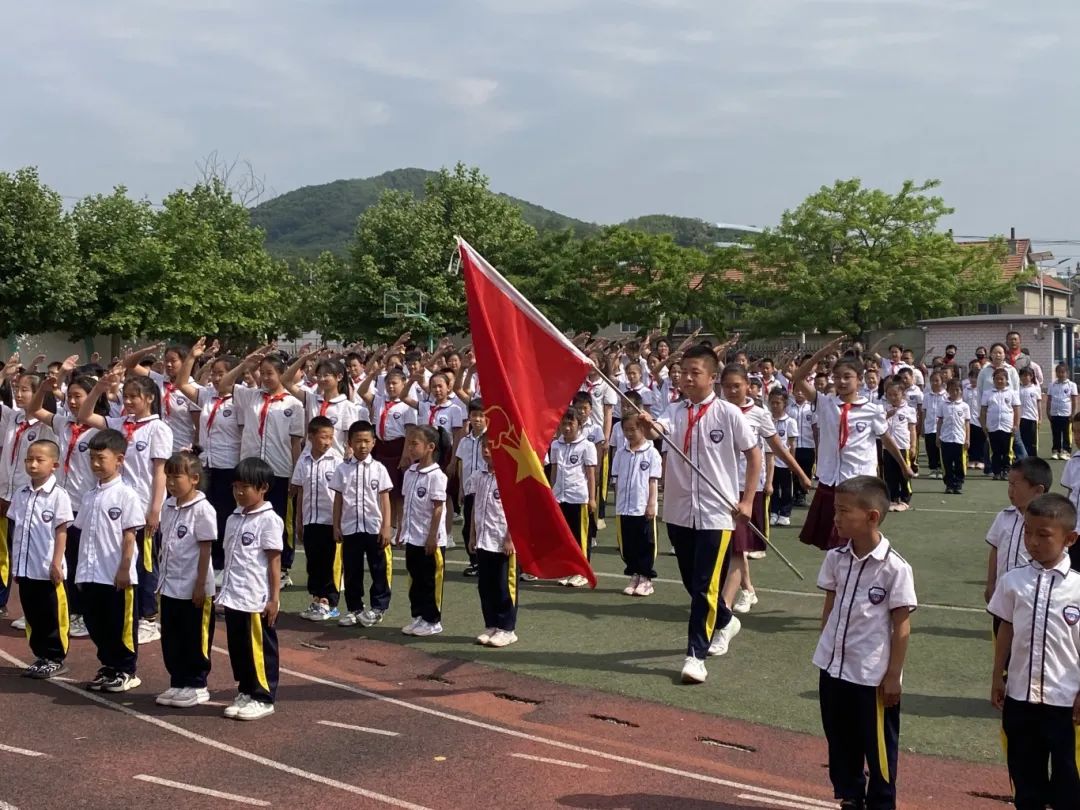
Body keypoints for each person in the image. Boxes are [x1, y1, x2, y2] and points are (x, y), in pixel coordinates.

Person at [640, 345, 760, 684]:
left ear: (712, 377)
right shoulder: (673, 412)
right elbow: (654, 431)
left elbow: (754, 457)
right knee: (692, 584)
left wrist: (748, 501)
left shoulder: (729, 414)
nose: (687, 378)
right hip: (678, 512)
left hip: (716, 514)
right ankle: (725, 620)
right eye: (683, 372)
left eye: (695, 372)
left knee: (706, 584)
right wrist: (646, 424)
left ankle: (695, 655)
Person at [814, 475, 916, 810]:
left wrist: (893, 676)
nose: (836, 518)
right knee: (840, 740)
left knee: (879, 748)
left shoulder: (895, 568)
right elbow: (829, 610)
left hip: (870, 677)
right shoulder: (836, 558)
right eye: (835, 510)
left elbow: (901, 626)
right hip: (833, 668)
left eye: (844, 511)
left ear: (871, 516)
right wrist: (826, 647)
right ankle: (850, 796)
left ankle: (881, 802)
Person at [989, 493, 1080, 809]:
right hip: (1021, 698)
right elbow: (1006, 629)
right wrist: (997, 676)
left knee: (1071, 782)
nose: (1033, 541)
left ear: (1070, 538)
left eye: (1044, 535)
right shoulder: (1014, 581)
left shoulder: (1078, 588)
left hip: (1065, 703)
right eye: (1028, 532)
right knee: (1026, 782)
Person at [80, 372, 172, 644]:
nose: (129, 401)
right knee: (121, 557)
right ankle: (129, 611)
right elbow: (86, 416)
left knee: (144, 562)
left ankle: (149, 617)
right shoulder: (121, 424)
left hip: (143, 505)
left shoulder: (158, 429)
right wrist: (98, 387)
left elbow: (160, 472)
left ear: (150, 398)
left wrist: (155, 508)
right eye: (126, 396)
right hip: (116, 502)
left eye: (135, 397)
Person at [795, 339, 912, 550]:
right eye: (837, 377)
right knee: (833, 542)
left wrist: (904, 465)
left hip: (858, 481)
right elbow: (798, 377)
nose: (841, 381)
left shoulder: (872, 410)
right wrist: (824, 351)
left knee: (856, 538)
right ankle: (838, 580)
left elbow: (886, 438)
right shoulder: (825, 403)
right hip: (831, 479)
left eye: (847, 377)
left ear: (860, 380)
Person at [215, 348, 304, 588]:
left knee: (278, 519)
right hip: (251, 467)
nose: (265, 378)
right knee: (247, 514)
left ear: (281, 374)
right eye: (262, 373)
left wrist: (296, 475)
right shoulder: (250, 396)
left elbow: (295, 443)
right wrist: (244, 364)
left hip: (280, 469)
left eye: (270, 373)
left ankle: (282, 566)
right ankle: (249, 562)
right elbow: (223, 385)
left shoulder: (293, 404)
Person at [27, 373, 102, 639]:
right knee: (60, 558)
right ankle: (67, 609)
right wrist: (45, 389)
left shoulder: (99, 429)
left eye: (78, 396)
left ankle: (83, 612)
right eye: (69, 396)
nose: (71, 401)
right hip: (61, 503)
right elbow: (33, 409)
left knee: (82, 561)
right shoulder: (63, 423)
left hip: (85, 504)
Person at [75, 429, 145, 692]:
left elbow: (130, 536)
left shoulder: (126, 494)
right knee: (95, 622)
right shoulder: (89, 495)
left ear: (119, 460)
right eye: (92, 458)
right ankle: (108, 666)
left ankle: (126, 669)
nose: (95, 464)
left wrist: (125, 568)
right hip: (91, 573)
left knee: (120, 623)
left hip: (115, 573)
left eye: (100, 459)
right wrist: (81, 570)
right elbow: (83, 534)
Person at [217, 457, 282, 721]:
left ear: (263, 487)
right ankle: (245, 689)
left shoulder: (268, 520)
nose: (240, 492)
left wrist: (274, 598)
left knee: (258, 648)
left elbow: (273, 560)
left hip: (256, 596)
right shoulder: (233, 517)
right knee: (239, 647)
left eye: (246, 487)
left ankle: (263, 696)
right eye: (236, 487)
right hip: (235, 595)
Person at [155, 451, 217, 708]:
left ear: (194, 479)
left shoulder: (203, 509)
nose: (170, 482)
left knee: (195, 637)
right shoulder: (168, 507)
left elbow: (204, 550)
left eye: (176, 477)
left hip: (193, 586)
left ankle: (197, 683)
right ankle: (178, 680)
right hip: (170, 585)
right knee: (172, 637)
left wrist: (200, 585)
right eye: (167, 476)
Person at [175, 341, 242, 578]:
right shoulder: (208, 396)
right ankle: (208, 559)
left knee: (225, 514)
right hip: (206, 464)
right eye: (213, 373)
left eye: (220, 374)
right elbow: (182, 383)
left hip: (228, 464)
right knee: (205, 511)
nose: (215, 378)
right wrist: (192, 356)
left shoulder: (240, 399)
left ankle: (224, 563)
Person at [10, 439, 74, 678]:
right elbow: (18, 529)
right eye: (29, 459)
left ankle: (55, 657)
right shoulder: (21, 493)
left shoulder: (59, 496)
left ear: (54, 465)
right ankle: (40, 655)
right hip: (26, 568)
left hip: (46, 568)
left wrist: (57, 562)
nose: (33, 464)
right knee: (32, 613)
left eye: (39, 460)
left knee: (52, 614)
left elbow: (61, 530)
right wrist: (17, 564)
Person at [331, 420, 394, 628]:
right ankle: (354, 608)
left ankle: (378, 607)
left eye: (367, 441)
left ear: (374, 442)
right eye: (358, 441)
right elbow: (339, 499)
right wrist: (336, 525)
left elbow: (384, 499)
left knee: (378, 568)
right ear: (349, 443)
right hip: (350, 527)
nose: (363, 446)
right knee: (352, 570)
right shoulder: (342, 469)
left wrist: (386, 526)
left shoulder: (379, 469)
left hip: (374, 528)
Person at [466, 434, 518, 647]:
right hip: (483, 539)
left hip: (502, 541)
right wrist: (472, 535)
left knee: (503, 585)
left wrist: (510, 539)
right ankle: (491, 624)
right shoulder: (478, 477)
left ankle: (507, 628)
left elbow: (516, 511)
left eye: (491, 447)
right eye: (484, 447)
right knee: (485, 585)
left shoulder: (509, 477)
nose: (486, 451)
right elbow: (475, 509)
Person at [398, 425, 448, 638]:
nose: (410, 448)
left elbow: (437, 508)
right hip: (412, 536)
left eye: (414, 443)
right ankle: (418, 615)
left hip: (429, 538)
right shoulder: (410, 472)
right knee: (415, 578)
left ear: (430, 447)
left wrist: (432, 536)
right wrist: (401, 529)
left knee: (430, 580)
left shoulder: (436, 475)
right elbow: (406, 503)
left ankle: (432, 620)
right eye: (409, 443)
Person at [293, 416, 344, 621]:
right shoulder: (303, 461)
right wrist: (299, 521)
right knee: (313, 561)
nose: (327, 442)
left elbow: (341, 495)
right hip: (310, 519)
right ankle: (316, 597)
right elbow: (300, 492)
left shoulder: (337, 461)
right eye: (323, 437)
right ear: (311, 437)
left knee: (329, 560)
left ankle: (329, 601)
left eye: (331, 437)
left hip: (330, 521)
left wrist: (339, 523)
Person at [984, 458, 1052, 612]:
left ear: (1038, 490)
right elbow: (995, 550)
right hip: (1003, 592)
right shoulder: (1004, 516)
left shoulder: (1049, 523)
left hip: (1031, 596)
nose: (1010, 490)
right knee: (1000, 631)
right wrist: (990, 584)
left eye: (1015, 485)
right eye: (1009, 484)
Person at [610, 412, 662, 597]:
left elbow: (653, 481)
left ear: (642, 429)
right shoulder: (621, 453)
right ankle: (634, 574)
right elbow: (616, 480)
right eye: (626, 430)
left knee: (645, 543)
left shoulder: (651, 453)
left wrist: (651, 504)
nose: (630, 433)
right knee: (628, 544)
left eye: (634, 429)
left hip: (642, 507)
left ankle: (646, 577)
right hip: (624, 507)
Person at [549, 408, 597, 588]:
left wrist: (592, 498)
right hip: (560, 496)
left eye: (571, 424)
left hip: (578, 497)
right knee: (565, 537)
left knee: (580, 536)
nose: (567, 428)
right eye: (564, 424)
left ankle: (582, 571)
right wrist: (552, 491)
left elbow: (591, 474)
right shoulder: (556, 445)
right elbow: (554, 470)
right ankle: (569, 569)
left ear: (579, 425)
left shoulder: (587, 445)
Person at [455, 401, 488, 577]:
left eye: (481, 415)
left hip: (486, 490)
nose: (477, 419)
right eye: (474, 415)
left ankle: (485, 561)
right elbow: (462, 465)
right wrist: (461, 488)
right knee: (469, 526)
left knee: (484, 525)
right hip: (469, 490)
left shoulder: (491, 440)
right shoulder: (464, 441)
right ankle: (474, 561)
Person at [981, 367, 1021, 481]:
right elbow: (983, 410)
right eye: (997, 379)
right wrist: (984, 425)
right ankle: (996, 471)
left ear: (1006, 380)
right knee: (995, 451)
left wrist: (1016, 424)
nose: (999, 381)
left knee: (1007, 451)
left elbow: (1017, 409)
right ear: (993, 380)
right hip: (992, 427)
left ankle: (1006, 470)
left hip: (1007, 427)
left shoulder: (1012, 393)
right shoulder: (987, 393)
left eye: (1002, 379)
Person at [883, 381, 917, 512]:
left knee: (903, 472)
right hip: (888, 447)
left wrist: (913, 446)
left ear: (903, 395)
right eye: (889, 395)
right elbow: (879, 424)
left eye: (896, 395)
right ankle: (893, 498)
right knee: (890, 474)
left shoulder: (909, 410)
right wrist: (886, 415)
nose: (893, 397)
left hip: (903, 447)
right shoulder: (884, 409)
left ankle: (905, 499)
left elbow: (912, 429)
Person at [936, 378, 971, 495]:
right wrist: (938, 437)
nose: (954, 392)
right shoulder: (943, 404)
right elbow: (940, 421)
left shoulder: (964, 406)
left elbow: (966, 423)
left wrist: (967, 439)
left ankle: (958, 484)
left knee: (960, 463)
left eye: (957, 390)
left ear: (961, 390)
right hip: (946, 438)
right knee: (947, 463)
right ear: (948, 391)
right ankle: (949, 484)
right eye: (951, 390)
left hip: (959, 439)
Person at [1046, 362, 1078, 460]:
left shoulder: (1071, 385)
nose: (1061, 374)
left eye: (1063, 372)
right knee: (1056, 433)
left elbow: (1074, 400)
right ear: (1056, 373)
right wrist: (1048, 411)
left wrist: (1073, 413)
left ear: (1067, 373)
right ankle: (1056, 450)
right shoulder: (1052, 385)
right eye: (1059, 372)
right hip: (1055, 413)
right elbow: (1049, 399)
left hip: (1066, 414)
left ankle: (1066, 451)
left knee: (1066, 434)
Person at [1017, 367, 1042, 458]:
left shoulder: (1035, 389)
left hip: (1031, 418)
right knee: (1021, 440)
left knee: (1032, 441)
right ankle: (1022, 459)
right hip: (1020, 418)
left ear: (1031, 376)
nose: (1025, 377)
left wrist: (1040, 418)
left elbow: (1038, 404)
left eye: (1027, 375)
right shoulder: (1017, 389)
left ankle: (1032, 459)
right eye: (1022, 375)